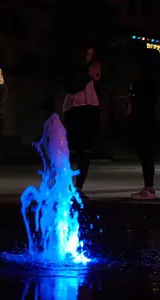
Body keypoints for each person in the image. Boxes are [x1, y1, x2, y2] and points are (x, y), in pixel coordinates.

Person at [62, 47, 101, 199]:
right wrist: (87, 75)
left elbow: (99, 88)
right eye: (87, 54)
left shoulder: (93, 69)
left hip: (90, 109)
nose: (89, 57)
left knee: (86, 151)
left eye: (92, 54)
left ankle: (79, 186)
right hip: (75, 109)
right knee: (73, 150)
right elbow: (71, 87)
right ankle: (66, 184)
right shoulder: (75, 70)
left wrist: (94, 77)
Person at [129, 62, 159, 200]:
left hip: (143, 120)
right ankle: (149, 187)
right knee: (146, 154)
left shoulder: (145, 82)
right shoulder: (153, 81)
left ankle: (149, 188)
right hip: (147, 119)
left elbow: (141, 101)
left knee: (145, 153)